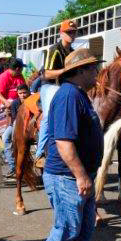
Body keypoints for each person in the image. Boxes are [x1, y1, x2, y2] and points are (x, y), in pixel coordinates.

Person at [22, 49, 109, 241]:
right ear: (80, 71)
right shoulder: (69, 96)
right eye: (93, 68)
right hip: (67, 177)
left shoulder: (79, 95)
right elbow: (63, 142)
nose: (97, 72)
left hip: (81, 175)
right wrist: (81, 175)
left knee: (84, 229)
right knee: (68, 228)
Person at [34, 20, 77, 168]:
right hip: (50, 86)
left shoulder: (73, 52)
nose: (71, 35)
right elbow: (46, 74)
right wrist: (65, 71)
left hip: (66, 87)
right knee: (48, 116)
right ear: (61, 33)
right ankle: (39, 154)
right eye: (68, 32)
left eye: (73, 32)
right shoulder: (54, 49)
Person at [2, 84, 30, 178]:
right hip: (16, 124)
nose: (22, 95)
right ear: (17, 94)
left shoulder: (32, 101)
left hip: (30, 124)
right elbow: (14, 118)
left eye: (24, 93)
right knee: (5, 137)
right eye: (20, 93)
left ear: (28, 92)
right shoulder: (15, 103)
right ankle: (12, 165)